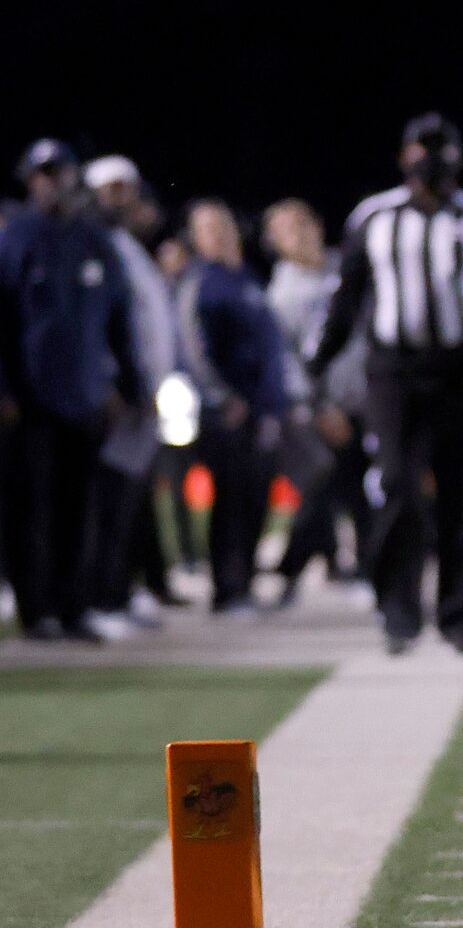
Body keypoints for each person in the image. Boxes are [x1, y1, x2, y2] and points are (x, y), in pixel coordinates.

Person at [308, 114, 463, 654]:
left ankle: (456, 616)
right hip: (394, 370)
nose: (431, 164)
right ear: (404, 158)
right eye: (423, 151)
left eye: (441, 151)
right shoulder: (374, 218)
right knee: (396, 484)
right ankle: (398, 611)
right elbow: (342, 298)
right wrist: (317, 363)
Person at [0, 141, 145, 641]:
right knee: (30, 507)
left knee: (78, 507)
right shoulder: (14, 239)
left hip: (85, 399)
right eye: (42, 174)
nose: (51, 182)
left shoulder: (92, 239)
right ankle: (35, 610)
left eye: (59, 172)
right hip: (30, 400)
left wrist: (132, 383)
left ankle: (72, 607)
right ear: (29, 180)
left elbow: (119, 320)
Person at [176, 200, 291, 614]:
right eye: (208, 227)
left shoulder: (243, 276)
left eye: (223, 224)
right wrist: (222, 397)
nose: (219, 233)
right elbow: (192, 348)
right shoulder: (201, 281)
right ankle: (227, 590)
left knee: (256, 497)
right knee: (230, 500)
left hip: (261, 409)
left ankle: (243, 584)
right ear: (196, 236)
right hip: (228, 412)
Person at [85, 155, 185, 626]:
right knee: (109, 503)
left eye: (126, 189)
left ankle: (122, 591)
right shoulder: (97, 243)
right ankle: (103, 597)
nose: (121, 199)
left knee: (133, 502)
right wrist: (113, 382)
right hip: (117, 394)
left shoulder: (126, 245)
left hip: (142, 392)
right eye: (111, 189)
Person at [262, 198, 372, 603]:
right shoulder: (281, 293)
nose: (300, 234)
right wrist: (317, 406)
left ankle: (361, 568)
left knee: (364, 489)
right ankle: (294, 570)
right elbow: (287, 358)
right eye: (287, 229)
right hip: (322, 407)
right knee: (321, 490)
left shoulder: (346, 271)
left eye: (303, 223)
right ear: (276, 242)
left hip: (364, 398)